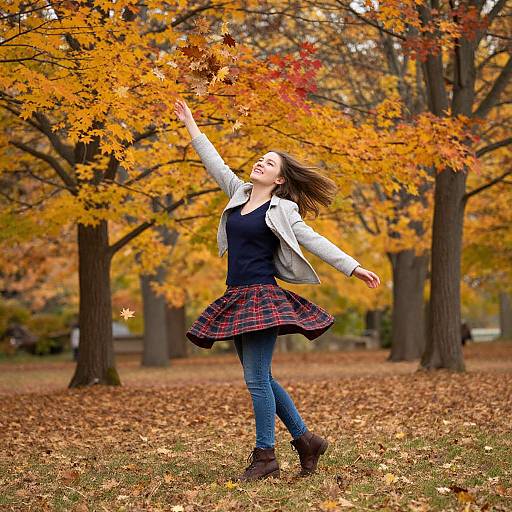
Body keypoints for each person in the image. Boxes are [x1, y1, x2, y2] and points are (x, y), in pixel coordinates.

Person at [174, 98, 381, 482]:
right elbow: (214, 162)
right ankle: (306, 441)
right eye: (260, 159)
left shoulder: (283, 210)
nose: (260, 164)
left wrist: (353, 267)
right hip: (234, 296)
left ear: (280, 179)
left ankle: (265, 455)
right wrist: (191, 124)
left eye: (269, 163)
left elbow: (315, 240)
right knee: (262, 378)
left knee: (256, 378)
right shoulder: (237, 193)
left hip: (262, 297)